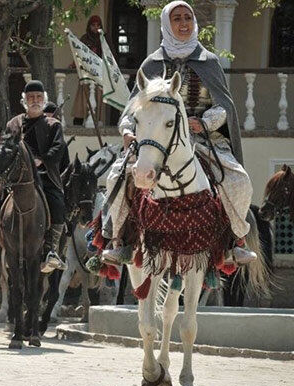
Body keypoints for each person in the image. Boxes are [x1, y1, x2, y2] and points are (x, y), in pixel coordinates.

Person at [102, 0, 257, 266]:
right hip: (156, 139)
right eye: (177, 18)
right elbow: (132, 109)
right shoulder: (151, 64)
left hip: (201, 138)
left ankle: (234, 242)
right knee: (117, 175)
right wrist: (128, 131)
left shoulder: (208, 62)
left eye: (187, 17)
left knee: (238, 180)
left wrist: (205, 123)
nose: (183, 23)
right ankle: (120, 241)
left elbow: (224, 107)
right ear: (167, 24)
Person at [0, 80, 68, 271]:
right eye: (31, 97)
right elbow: (4, 148)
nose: (35, 100)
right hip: (14, 176)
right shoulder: (14, 123)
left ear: (44, 99)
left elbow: (58, 149)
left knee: (58, 203)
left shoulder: (53, 125)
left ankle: (51, 250)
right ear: (24, 100)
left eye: (38, 97)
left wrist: (41, 160)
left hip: (44, 175)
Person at [71, 15, 104, 126]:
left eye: (98, 25)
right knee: (82, 100)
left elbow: (110, 56)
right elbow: (79, 54)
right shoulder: (85, 39)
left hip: (99, 76)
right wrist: (73, 64)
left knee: (97, 100)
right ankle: (78, 122)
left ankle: (96, 122)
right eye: (93, 25)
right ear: (89, 26)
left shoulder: (104, 39)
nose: (96, 27)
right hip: (86, 75)